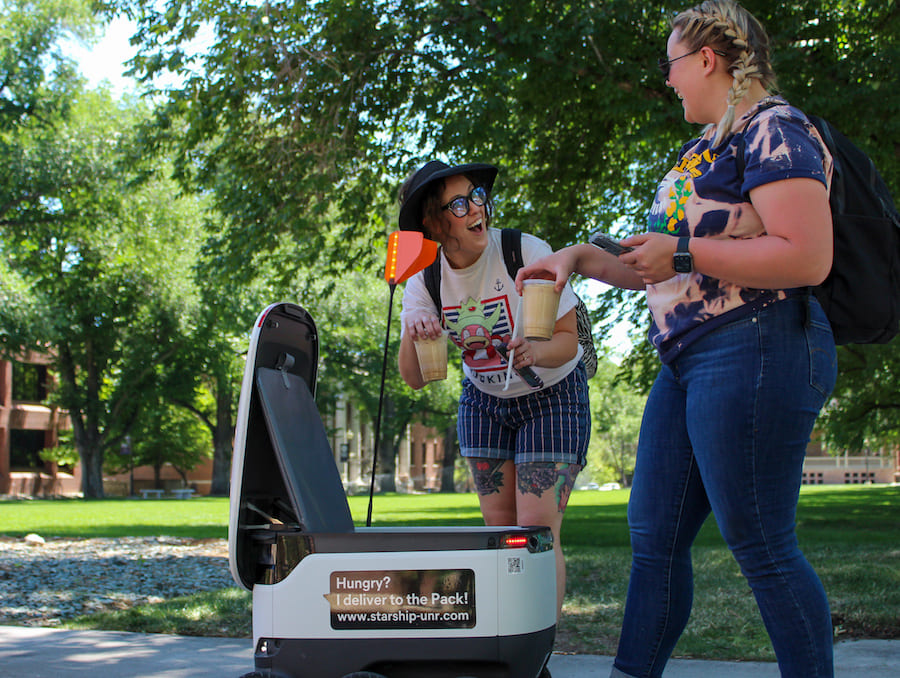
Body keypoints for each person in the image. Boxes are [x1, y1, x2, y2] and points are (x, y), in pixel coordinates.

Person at [515, 2, 837, 677]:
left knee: (761, 543)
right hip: (687, 357)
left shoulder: (776, 131)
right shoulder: (699, 153)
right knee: (654, 537)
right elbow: (655, 267)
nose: (668, 80)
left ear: (708, 60)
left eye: (671, 64)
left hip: (758, 343)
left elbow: (807, 257)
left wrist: (686, 253)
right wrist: (575, 257)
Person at [396, 160, 590, 620]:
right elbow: (414, 377)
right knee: (501, 532)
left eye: (477, 195)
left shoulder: (522, 250)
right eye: (459, 203)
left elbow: (568, 341)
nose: (476, 208)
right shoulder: (424, 279)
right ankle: (508, 638)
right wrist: (416, 332)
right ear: (431, 221)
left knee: (537, 530)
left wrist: (534, 354)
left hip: (552, 396)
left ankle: (538, 645)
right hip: (484, 402)